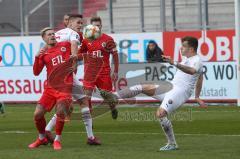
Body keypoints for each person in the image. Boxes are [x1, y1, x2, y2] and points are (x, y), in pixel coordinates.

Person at [101, 36, 207, 151]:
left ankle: (172, 144)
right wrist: (197, 97)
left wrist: (174, 63)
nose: (181, 48)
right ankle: (114, 96)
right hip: (171, 87)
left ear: (191, 49)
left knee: (160, 114)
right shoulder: (187, 58)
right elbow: (200, 77)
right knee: (142, 86)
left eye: (183, 46)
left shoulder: (197, 60)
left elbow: (192, 71)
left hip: (180, 91)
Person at [45, 14, 101, 145]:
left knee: (72, 103)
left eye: (82, 23)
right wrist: (74, 63)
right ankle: (90, 137)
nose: (80, 25)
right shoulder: (73, 34)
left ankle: (47, 130)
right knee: (81, 102)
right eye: (78, 23)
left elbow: (48, 49)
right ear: (69, 23)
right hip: (65, 73)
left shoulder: (56, 34)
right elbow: (74, 46)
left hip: (54, 73)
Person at [28, 27, 73, 150]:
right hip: (50, 88)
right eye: (49, 34)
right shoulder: (43, 53)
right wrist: (37, 57)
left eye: (53, 33)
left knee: (60, 112)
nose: (52, 35)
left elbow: (77, 49)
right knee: (37, 114)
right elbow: (36, 72)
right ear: (44, 38)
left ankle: (57, 140)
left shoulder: (66, 45)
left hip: (64, 86)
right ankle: (42, 138)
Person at [79, 16, 119, 119]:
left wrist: (116, 71)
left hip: (104, 73)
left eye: (98, 25)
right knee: (86, 97)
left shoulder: (108, 39)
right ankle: (89, 121)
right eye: (94, 26)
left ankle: (113, 108)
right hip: (89, 73)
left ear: (101, 26)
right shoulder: (86, 39)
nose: (96, 28)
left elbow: (115, 55)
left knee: (107, 97)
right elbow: (80, 53)